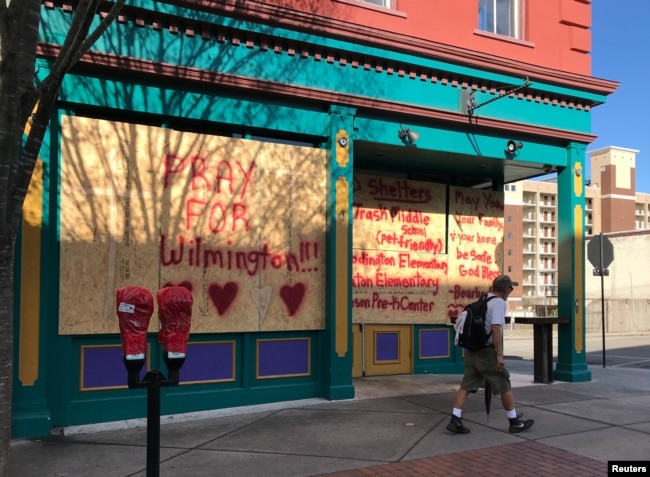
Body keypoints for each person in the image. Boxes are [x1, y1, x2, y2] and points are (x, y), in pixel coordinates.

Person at [446, 275, 534, 434]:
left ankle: (455, 419)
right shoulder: (499, 303)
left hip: (472, 351)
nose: (511, 291)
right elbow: (495, 328)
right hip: (486, 353)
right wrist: (499, 355)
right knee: (503, 382)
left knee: (466, 385)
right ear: (506, 289)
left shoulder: (483, 299)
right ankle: (514, 422)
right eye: (511, 288)